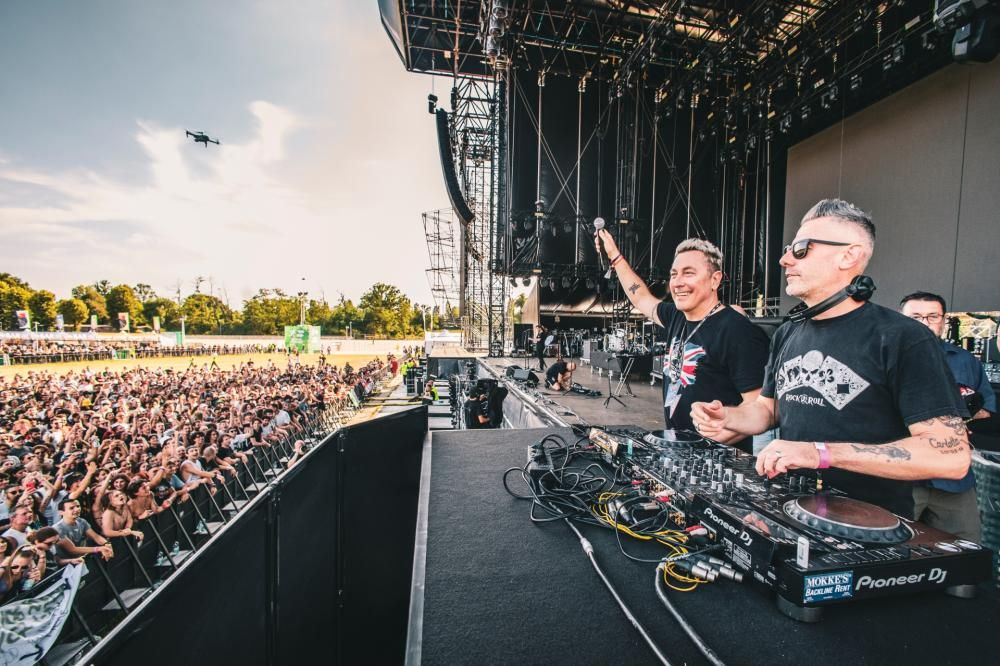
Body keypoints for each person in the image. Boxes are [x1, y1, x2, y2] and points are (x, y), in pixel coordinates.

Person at [690, 199, 970, 518]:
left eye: (801, 249)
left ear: (848, 255)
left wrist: (820, 453)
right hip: (792, 512)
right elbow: (767, 409)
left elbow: (950, 456)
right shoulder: (788, 332)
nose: (784, 259)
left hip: (868, 527)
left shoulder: (903, 337)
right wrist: (727, 417)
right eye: (788, 249)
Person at [594, 231, 769, 452]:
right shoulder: (676, 316)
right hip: (677, 452)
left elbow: (758, 407)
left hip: (717, 460)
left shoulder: (736, 329)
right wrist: (615, 256)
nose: (677, 283)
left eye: (688, 273)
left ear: (715, 280)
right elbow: (640, 297)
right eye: (674, 274)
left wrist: (706, 444)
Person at [899, 291, 995, 541]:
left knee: (965, 546)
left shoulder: (965, 361)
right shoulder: (882, 357)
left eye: (933, 316)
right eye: (915, 317)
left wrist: (959, 417)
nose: (924, 323)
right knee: (892, 549)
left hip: (952, 478)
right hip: (900, 473)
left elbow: (986, 409)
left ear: (943, 321)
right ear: (900, 319)